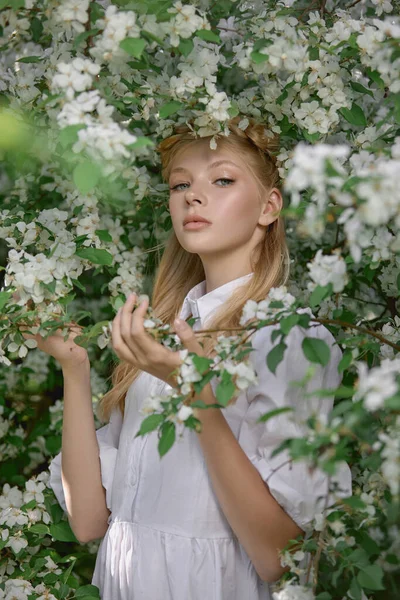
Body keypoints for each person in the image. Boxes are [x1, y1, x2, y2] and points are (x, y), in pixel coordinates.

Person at [26, 115, 352, 599]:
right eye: (181, 185)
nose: (193, 197)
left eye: (222, 179)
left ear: (269, 206)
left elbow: (277, 557)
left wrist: (197, 396)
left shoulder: (288, 340)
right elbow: (89, 521)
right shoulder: (157, 336)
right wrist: (74, 369)